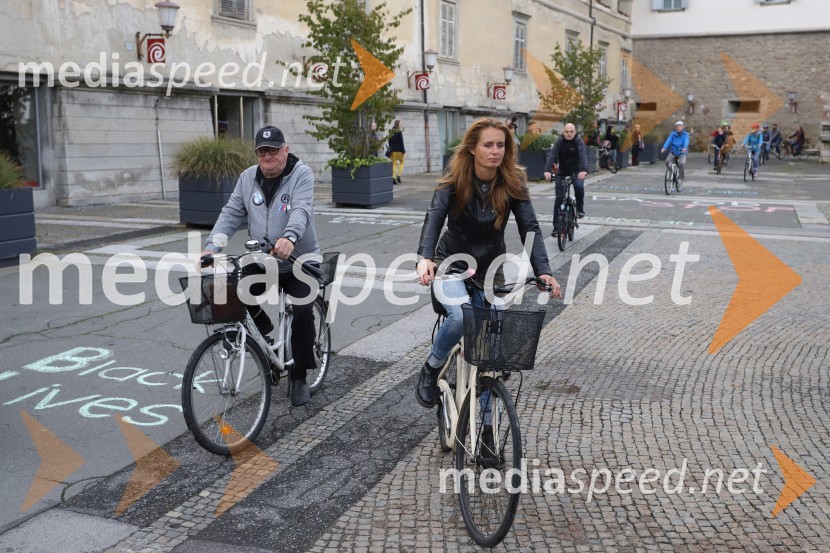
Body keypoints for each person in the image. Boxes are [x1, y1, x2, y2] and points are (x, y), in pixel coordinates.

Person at [415, 117, 562, 408]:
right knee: (459, 315)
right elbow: (435, 215)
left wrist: (544, 271)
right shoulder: (456, 174)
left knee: (490, 346)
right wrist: (425, 258)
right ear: (472, 148)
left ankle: (485, 431)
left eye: (500, 145)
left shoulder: (513, 180)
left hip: (490, 268)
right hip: (452, 261)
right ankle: (431, 368)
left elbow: (529, 227)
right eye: (488, 145)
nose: (495, 151)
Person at [201, 126, 321, 407]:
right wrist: (212, 247)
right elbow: (230, 213)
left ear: (285, 150)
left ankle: (300, 373)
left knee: (303, 310)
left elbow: (301, 209)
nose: (268, 156)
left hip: (299, 260)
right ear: (257, 154)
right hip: (264, 259)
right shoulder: (247, 179)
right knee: (233, 290)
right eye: (262, 151)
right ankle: (264, 330)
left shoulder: (300, 174)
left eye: (274, 150)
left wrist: (290, 238)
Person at [544, 123, 589, 228]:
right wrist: (547, 170)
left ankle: (579, 209)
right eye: (566, 132)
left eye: (571, 132)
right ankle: (556, 227)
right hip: (562, 172)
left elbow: (583, 156)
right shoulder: (559, 142)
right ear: (563, 132)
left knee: (579, 187)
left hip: (577, 172)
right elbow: (552, 155)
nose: (569, 134)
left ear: (575, 132)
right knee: (559, 198)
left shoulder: (579, 142)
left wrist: (583, 170)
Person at [661, 121, 689, 187]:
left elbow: (686, 141)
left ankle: (681, 178)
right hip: (673, 151)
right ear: (676, 128)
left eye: (680, 126)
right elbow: (669, 140)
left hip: (682, 152)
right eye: (677, 126)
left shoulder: (685, 134)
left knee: (682, 163)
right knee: (667, 161)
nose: (679, 128)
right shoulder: (673, 134)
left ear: (683, 127)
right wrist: (664, 148)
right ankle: (670, 172)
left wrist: (684, 147)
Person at [388, 120, 405, 185]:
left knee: (394, 165)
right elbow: (401, 142)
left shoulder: (391, 131)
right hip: (399, 151)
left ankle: (393, 179)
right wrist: (403, 151)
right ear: (398, 124)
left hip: (393, 151)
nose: (401, 125)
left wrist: (390, 150)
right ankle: (398, 176)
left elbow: (389, 142)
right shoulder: (399, 132)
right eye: (401, 124)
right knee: (402, 163)